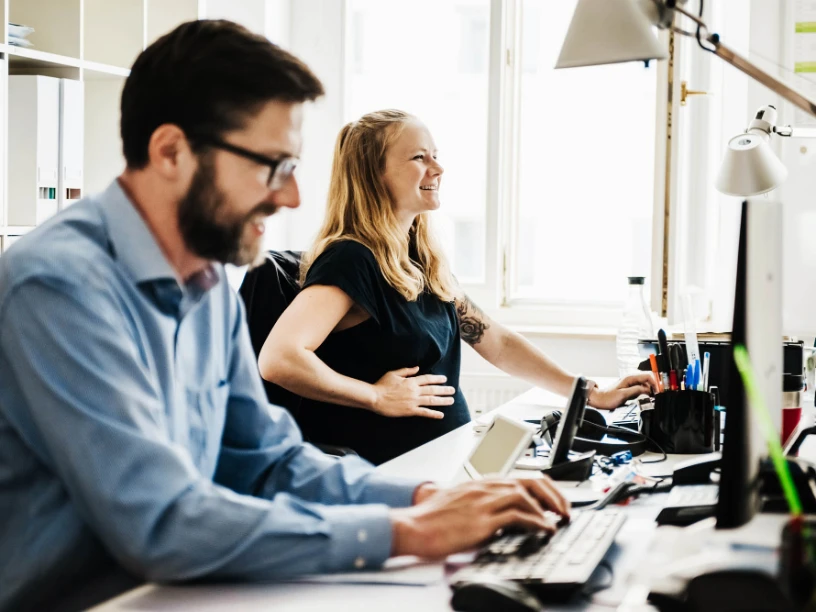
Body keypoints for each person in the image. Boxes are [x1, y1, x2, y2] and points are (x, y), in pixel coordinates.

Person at [0, 21, 570, 612]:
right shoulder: (59, 284)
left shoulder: (206, 283)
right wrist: (408, 531)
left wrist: (425, 497)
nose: (292, 197)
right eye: (272, 165)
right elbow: (160, 521)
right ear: (170, 151)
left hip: (188, 587)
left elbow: (268, 461)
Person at [259, 110, 658, 465]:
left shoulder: (419, 258)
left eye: (435, 154)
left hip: (450, 459)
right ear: (374, 173)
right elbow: (279, 357)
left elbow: (495, 341)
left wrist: (585, 394)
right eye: (419, 157)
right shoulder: (352, 259)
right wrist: (375, 396)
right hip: (400, 472)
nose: (437, 168)